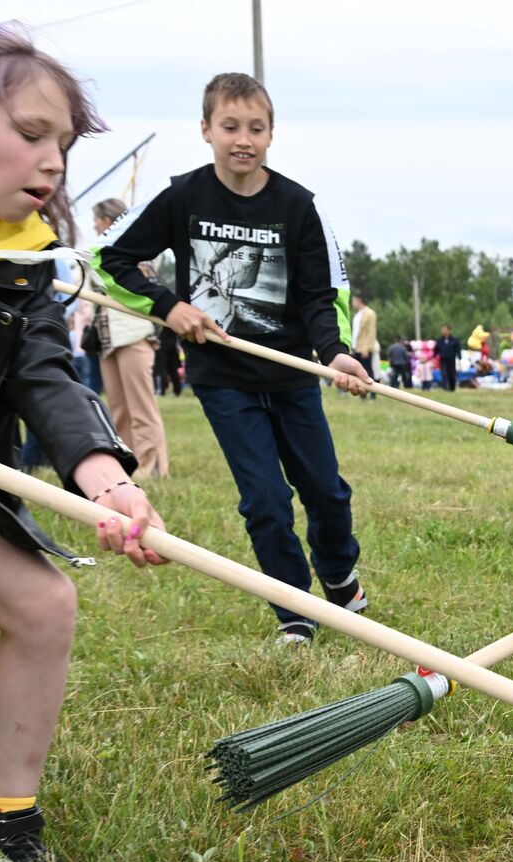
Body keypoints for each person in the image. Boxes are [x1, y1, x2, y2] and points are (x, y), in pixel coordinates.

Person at [0, 22, 166, 862]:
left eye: (60, 140)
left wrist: (108, 480)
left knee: (43, 605)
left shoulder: (19, 250)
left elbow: (45, 376)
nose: (54, 160)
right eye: (30, 134)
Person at [94, 71, 370, 645]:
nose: (242, 138)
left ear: (272, 134)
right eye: (229, 126)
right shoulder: (182, 196)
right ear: (205, 130)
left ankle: (340, 577)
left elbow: (323, 294)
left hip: (293, 375)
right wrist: (169, 306)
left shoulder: (298, 206)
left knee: (326, 490)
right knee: (265, 500)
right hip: (224, 380)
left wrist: (336, 353)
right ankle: (295, 612)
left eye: (256, 127)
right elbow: (110, 257)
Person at [91, 199, 170, 478]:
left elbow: (146, 289)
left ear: (110, 220)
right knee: (119, 409)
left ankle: (153, 466)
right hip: (107, 339)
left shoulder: (134, 251)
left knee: (141, 407)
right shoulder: (97, 253)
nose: (93, 226)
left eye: (97, 220)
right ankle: (131, 463)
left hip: (134, 335)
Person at [351, 291, 379, 401]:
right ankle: (362, 394)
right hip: (356, 347)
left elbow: (371, 332)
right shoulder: (357, 314)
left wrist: (366, 348)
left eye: (353, 300)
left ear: (359, 300)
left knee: (369, 372)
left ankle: (373, 394)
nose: (352, 303)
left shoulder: (370, 313)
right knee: (358, 372)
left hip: (364, 348)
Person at [433, 323, 461, 391]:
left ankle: (452, 388)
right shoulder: (439, 340)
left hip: (451, 360)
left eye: (445, 329)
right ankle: (445, 388)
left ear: (449, 330)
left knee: (451, 374)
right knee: (444, 374)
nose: (443, 331)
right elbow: (436, 350)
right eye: (442, 330)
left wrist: (459, 358)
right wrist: (434, 358)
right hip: (443, 360)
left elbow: (457, 349)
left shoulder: (454, 340)